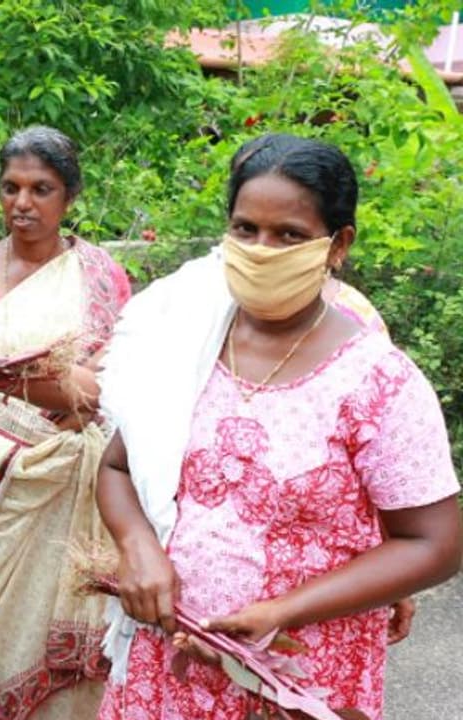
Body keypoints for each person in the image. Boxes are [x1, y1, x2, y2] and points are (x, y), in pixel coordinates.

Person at [95, 134, 460, 720]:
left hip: (298, 674)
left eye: (288, 235)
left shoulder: (378, 381)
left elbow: (434, 544)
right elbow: (117, 465)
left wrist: (282, 611)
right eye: (246, 229)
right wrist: (138, 547)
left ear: (337, 245)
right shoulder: (185, 347)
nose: (261, 251)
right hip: (166, 665)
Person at [0, 126, 132, 718]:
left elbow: (108, 383)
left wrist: (8, 380)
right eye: (10, 188)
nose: (23, 203)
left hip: (70, 473)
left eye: (41, 189)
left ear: (69, 197)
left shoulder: (101, 277)